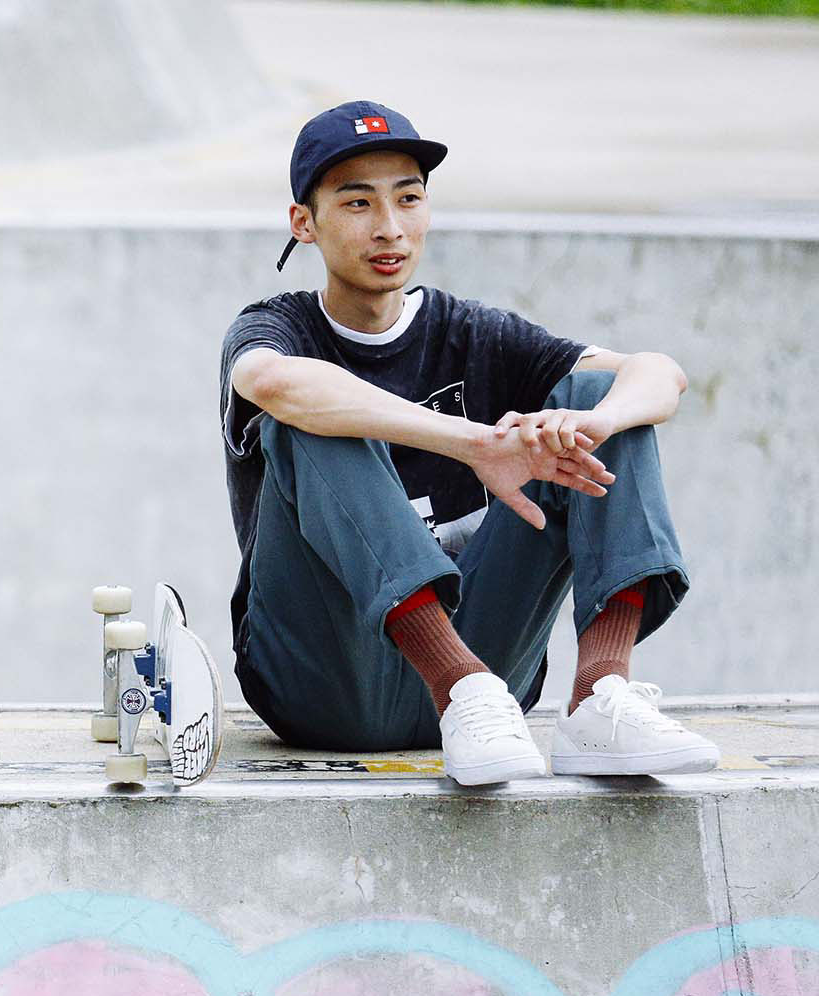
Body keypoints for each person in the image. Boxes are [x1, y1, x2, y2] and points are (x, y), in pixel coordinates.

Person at [217, 101, 719, 786]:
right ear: (304, 222)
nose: (390, 227)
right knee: (310, 412)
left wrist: (593, 427)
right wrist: (475, 443)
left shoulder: (473, 333)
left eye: (408, 198)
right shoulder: (277, 329)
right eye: (358, 203)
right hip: (325, 682)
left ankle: (601, 695)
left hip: (492, 686)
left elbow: (659, 374)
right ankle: (454, 680)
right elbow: (272, 382)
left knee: (597, 397)